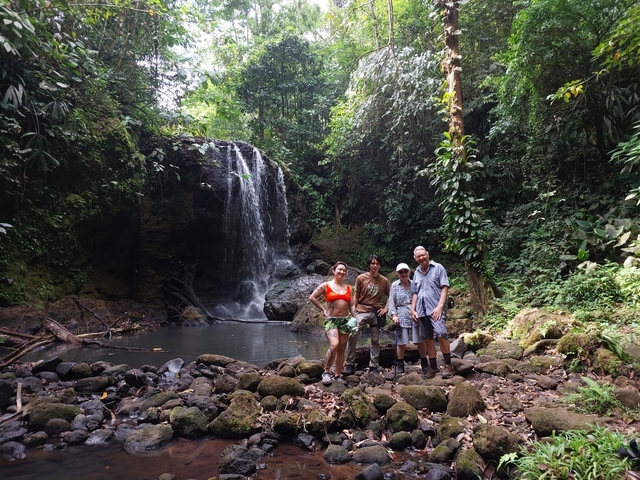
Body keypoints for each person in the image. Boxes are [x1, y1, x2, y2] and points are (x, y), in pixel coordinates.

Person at [309, 261, 358, 385]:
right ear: (334, 271)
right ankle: (326, 372)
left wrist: (355, 318)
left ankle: (337, 375)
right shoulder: (326, 285)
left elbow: (351, 305)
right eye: (339, 269)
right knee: (334, 344)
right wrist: (323, 309)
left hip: (345, 320)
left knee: (342, 348)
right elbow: (312, 297)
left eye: (344, 270)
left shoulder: (348, 288)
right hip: (331, 320)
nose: (342, 272)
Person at [410, 246, 455, 379]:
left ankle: (448, 365)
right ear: (415, 258)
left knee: (441, 333)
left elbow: (444, 287)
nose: (421, 258)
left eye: (423, 255)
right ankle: (433, 367)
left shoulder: (438, 268)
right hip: (421, 311)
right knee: (427, 338)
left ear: (427, 254)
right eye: (418, 256)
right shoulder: (417, 272)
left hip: (435, 309)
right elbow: (415, 293)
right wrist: (413, 309)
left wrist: (440, 306)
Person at [343, 254, 390, 375]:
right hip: (361, 310)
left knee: (375, 339)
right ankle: (349, 364)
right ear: (369, 265)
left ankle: (373, 366)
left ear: (379, 265)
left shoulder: (384, 281)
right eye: (372, 263)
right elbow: (356, 295)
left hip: (376, 312)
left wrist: (386, 309)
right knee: (353, 335)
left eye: (377, 263)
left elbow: (391, 296)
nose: (374, 265)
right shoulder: (361, 278)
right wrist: (353, 311)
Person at [388, 262, 428, 375]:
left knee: (420, 340)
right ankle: (400, 364)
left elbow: (421, 298)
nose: (403, 273)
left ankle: (424, 361)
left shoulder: (415, 283)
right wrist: (394, 315)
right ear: (397, 273)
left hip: (415, 314)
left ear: (409, 272)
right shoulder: (394, 285)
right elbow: (391, 301)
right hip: (401, 314)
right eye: (401, 272)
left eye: (405, 271)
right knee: (401, 342)